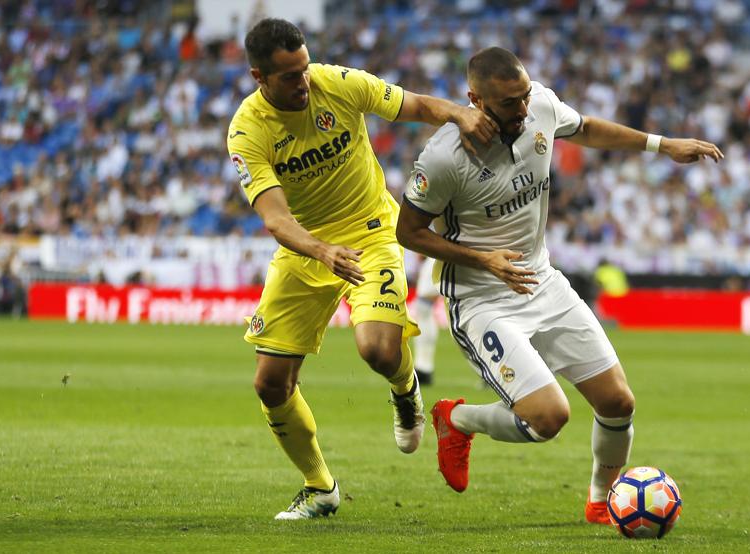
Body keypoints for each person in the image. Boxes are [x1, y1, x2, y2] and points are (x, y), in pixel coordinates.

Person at [396, 47, 723, 524]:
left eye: (525, 96)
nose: (523, 109)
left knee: (618, 402)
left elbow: (586, 128)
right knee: (548, 417)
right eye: (510, 103)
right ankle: (456, 419)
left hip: (542, 281)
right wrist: (482, 259)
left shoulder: (540, 107)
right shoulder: (444, 157)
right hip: (481, 299)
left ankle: (600, 500)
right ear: (476, 100)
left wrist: (662, 144)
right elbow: (409, 233)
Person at [226, 18, 498, 521]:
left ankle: (405, 389)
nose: (304, 82)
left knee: (376, 349)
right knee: (269, 384)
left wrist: (460, 114)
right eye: (289, 76)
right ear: (258, 77)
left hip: (372, 232)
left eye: (304, 68)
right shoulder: (248, 131)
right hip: (305, 247)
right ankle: (319, 487)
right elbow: (276, 218)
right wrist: (320, 250)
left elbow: (413, 105)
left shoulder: (338, 83)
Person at [412, 255, 440, 385]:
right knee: (423, 324)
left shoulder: (432, 262)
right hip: (424, 306)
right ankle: (423, 367)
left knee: (424, 320)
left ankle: (424, 368)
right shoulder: (429, 263)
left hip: (424, 305)